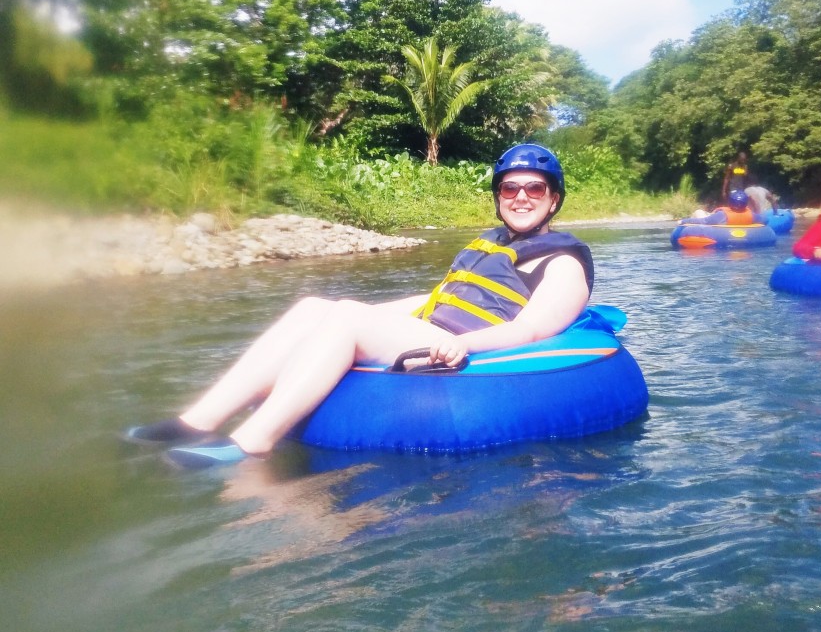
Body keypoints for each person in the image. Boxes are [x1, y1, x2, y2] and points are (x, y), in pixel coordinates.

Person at [127, 144, 594, 456]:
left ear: (553, 200)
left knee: (348, 318)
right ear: (498, 197)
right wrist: (346, 311)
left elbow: (531, 329)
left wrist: (466, 347)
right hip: (434, 329)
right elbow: (440, 298)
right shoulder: (492, 242)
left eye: (535, 188)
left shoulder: (563, 263)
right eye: (510, 188)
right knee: (316, 307)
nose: (520, 197)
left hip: (460, 348)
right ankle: (198, 421)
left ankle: (252, 443)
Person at [692, 189, 758, 226]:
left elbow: (704, 221)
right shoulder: (752, 215)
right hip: (745, 232)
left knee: (698, 212)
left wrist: (683, 221)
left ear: (730, 202)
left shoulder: (722, 215)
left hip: (717, 226)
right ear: (745, 203)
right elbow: (764, 220)